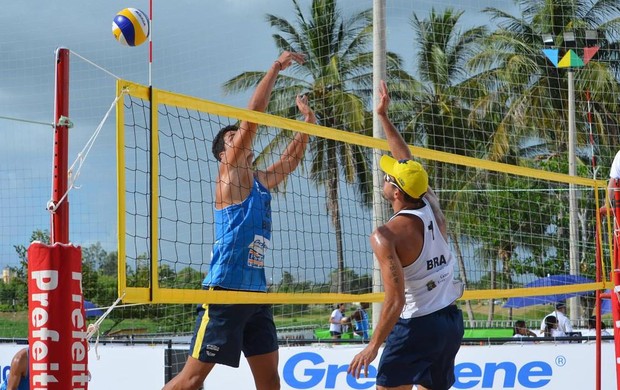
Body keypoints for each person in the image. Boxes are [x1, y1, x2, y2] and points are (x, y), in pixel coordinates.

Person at [162, 51, 314, 390]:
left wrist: (307, 125)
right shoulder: (228, 175)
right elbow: (254, 115)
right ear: (223, 153)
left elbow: (290, 161)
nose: (241, 136)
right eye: (233, 136)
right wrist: (276, 67)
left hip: (257, 295)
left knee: (270, 382)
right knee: (191, 380)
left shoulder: (258, 181)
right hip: (225, 292)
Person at [347, 80, 464, 390]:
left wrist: (373, 346)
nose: (384, 177)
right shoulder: (431, 207)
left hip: (417, 325)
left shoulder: (385, 236)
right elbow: (407, 163)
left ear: (396, 192)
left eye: (388, 177)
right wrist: (383, 117)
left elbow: (395, 300)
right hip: (450, 322)